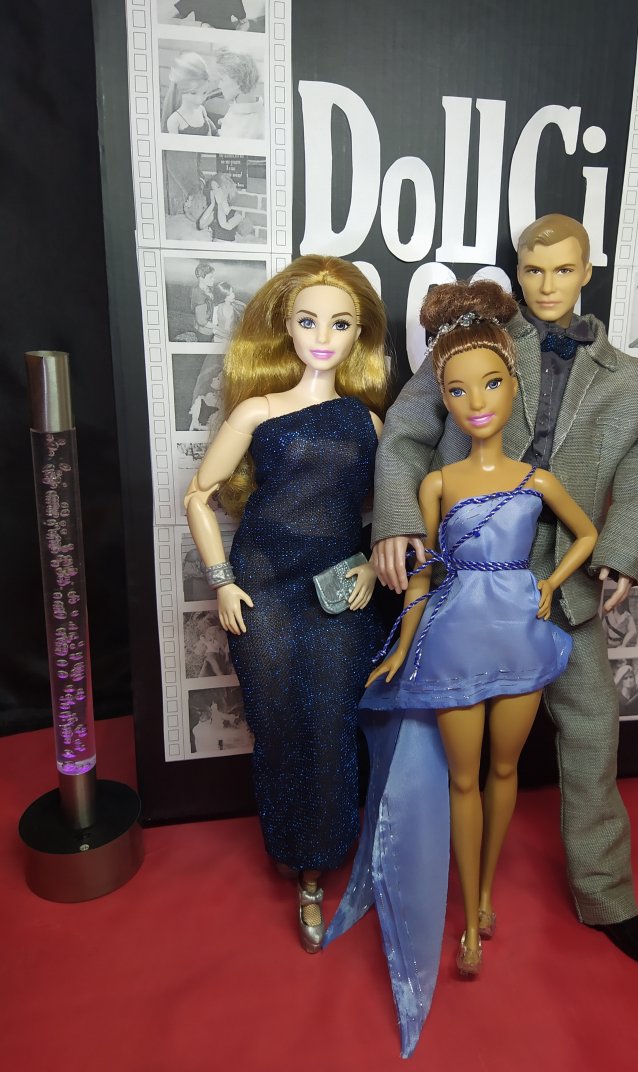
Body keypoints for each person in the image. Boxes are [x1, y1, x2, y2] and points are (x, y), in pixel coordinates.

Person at [368, 213, 638, 974]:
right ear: (518, 272)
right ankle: (423, 883)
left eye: (563, 270)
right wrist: (399, 521)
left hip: (561, 586)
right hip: (469, 583)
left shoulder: (625, 378)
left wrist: (621, 552)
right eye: (533, 270)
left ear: (587, 273)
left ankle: (607, 895)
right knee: (446, 749)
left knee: (594, 727)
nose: (546, 285)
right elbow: (405, 433)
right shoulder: (482, 342)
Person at [327, 279, 596, 1055]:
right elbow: (423, 576)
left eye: (490, 384)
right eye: (457, 389)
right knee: (464, 778)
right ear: (442, 394)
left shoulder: (537, 480)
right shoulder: (437, 482)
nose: (476, 402)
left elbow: (584, 534)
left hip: (519, 635)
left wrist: (550, 582)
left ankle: (481, 895)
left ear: (513, 386)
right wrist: (402, 646)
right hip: (454, 638)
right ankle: (468, 916)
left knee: (505, 769)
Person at [183, 255, 390, 953]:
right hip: (263, 586)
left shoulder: (368, 421)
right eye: (308, 321)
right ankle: (290, 846)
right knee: (277, 723)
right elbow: (198, 495)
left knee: (331, 724)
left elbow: (395, 509)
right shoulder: (259, 410)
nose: (323, 337)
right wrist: (222, 579)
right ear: (287, 329)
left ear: (359, 332)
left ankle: (317, 867)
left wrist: (373, 561)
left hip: (340, 589)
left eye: (340, 323)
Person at [161, 52, 216, 136]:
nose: (200, 100)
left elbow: (210, 137)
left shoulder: (202, 110)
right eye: (193, 93)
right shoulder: (174, 120)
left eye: (204, 92)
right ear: (180, 89)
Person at [212, 48, 264, 139]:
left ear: (238, 81)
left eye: (221, 79)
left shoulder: (240, 132)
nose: (219, 85)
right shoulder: (255, 109)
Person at [196, 173, 245, 241]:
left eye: (218, 188)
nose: (215, 192)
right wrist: (212, 204)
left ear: (227, 189)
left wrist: (219, 204)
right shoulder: (215, 213)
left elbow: (225, 225)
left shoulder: (237, 215)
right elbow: (201, 225)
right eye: (213, 189)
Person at [190, 262, 216, 341]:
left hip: (209, 327)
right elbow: (201, 321)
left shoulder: (207, 288)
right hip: (204, 332)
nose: (213, 279)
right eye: (210, 277)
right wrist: (218, 327)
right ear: (201, 278)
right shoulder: (199, 296)